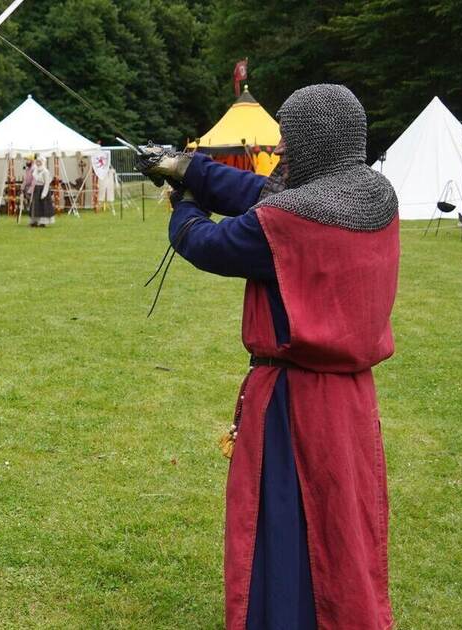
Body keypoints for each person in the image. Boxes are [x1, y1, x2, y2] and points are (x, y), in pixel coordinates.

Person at [137, 84, 399, 630]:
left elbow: (210, 243)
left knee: (285, 520)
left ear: (317, 142)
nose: (279, 148)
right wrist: (187, 167)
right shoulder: (373, 198)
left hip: (293, 404)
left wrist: (185, 205)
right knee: (341, 524)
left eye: (288, 138)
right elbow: (263, 192)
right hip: (351, 402)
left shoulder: (291, 221)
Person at [28, 158, 53, 227]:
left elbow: (47, 183)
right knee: (35, 206)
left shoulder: (45, 171)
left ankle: (43, 222)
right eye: (37, 162)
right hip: (36, 189)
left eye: (39, 162)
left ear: (43, 162)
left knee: (43, 206)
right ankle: (35, 221)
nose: (38, 163)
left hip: (42, 189)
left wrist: (44, 193)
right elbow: (34, 181)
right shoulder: (35, 171)